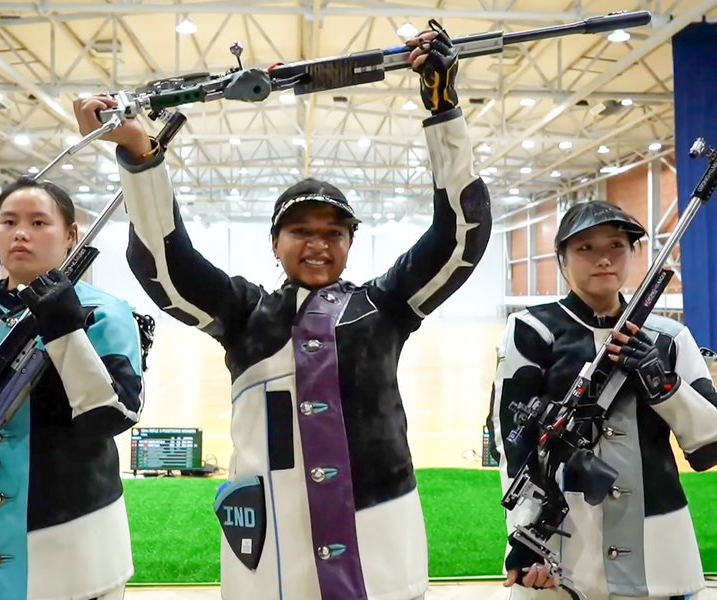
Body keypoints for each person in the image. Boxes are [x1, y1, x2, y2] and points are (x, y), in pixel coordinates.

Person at [74, 21, 491, 600]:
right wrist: (140, 156)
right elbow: (166, 264)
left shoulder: (386, 306)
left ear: (350, 243)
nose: (318, 244)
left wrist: (443, 109)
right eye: (300, 231)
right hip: (271, 555)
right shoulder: (244, 313)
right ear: (275, 242)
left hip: (380, 545)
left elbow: (460, 235)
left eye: (334, 232)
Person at [0, 178, 145, 600]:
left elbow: (114, 414)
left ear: (71, 235)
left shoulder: (105, 313)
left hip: (74, 541)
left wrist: (64, 327)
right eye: (9, 221)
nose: (21, 233)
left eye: (39, 222)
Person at [487, 200, 717, 600]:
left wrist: (664, 385)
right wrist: (523, 538)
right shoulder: (531, 330)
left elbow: (708, 444)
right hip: (562, 548)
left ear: (633, 254)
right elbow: (512, 441)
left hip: (657, 548)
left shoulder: (668, 338)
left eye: (616, 245)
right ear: (561, 259)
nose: (603, 259)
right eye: (585, 248)